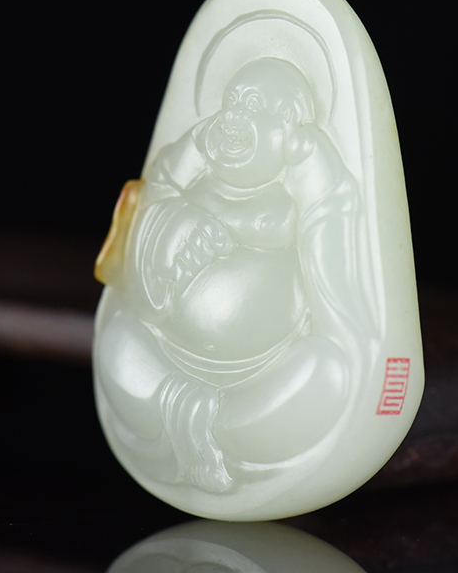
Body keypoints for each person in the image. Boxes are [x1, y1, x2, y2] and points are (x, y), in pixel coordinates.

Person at [95, 58, 374, 492]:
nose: (233, 118)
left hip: (259, 370)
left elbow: (332, 228)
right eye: (231, 103)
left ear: (289, 127)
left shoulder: (296, 196)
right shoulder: (195, 184)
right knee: (117, 337)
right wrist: (173, 222)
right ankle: (187, 412)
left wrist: (311, 157)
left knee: (326, 372)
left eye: (254, 106)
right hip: (170, 351)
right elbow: (156, 190)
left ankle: (215, 427)